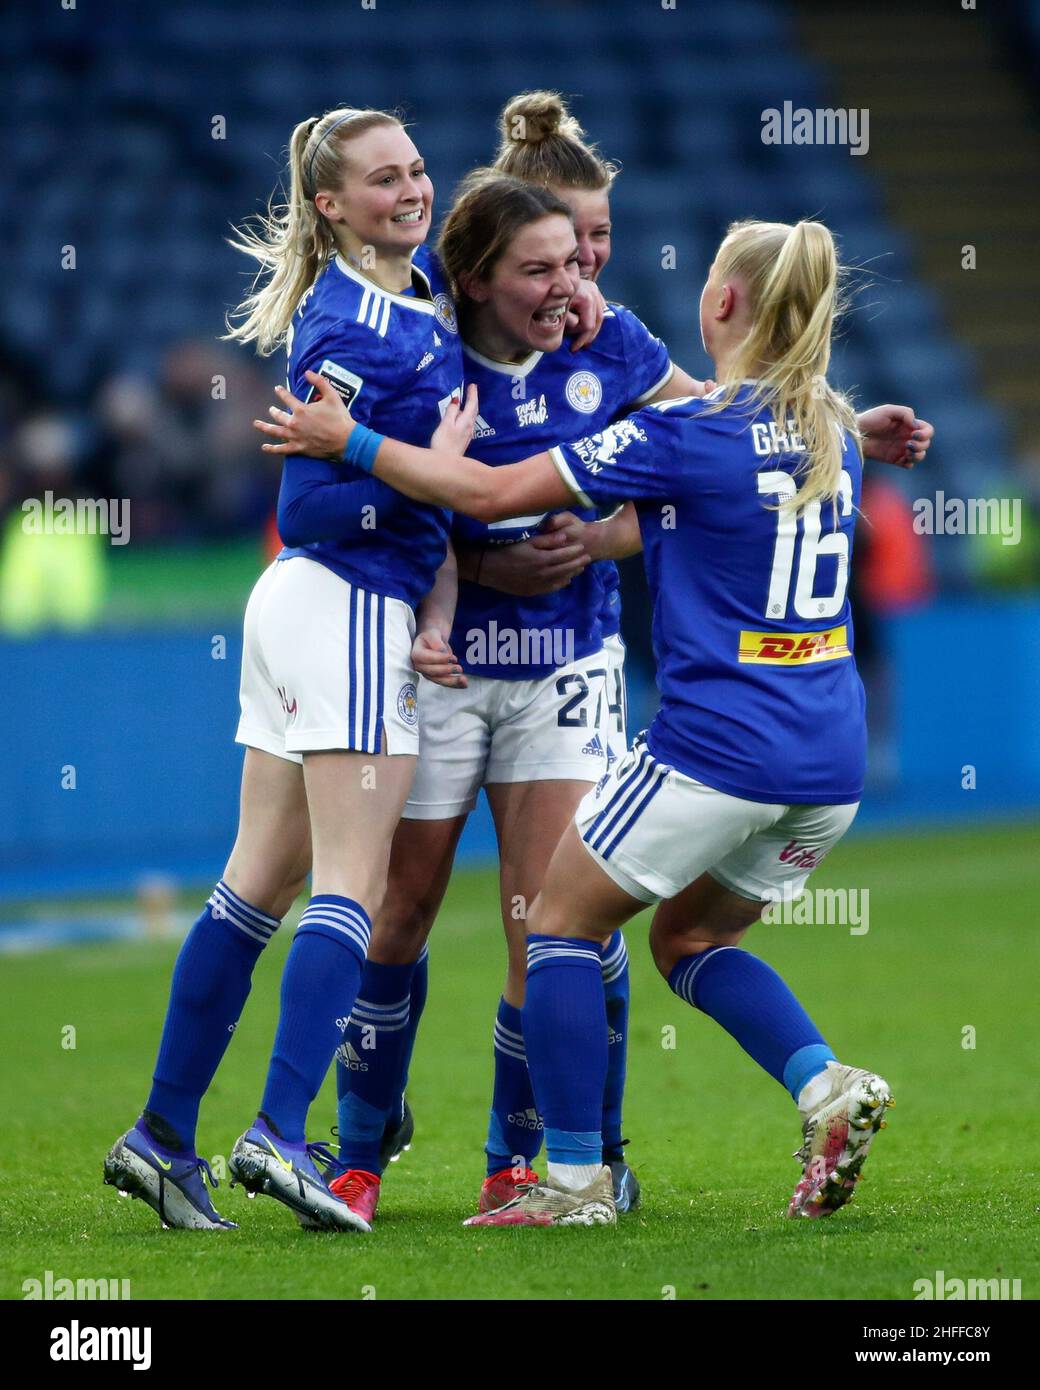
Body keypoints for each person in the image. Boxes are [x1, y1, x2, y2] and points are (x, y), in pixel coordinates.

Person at [256, 217, 934, 1226]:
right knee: (686, 941)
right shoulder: (826, 434)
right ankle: (823, 1084)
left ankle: (572, 1179)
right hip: (827, 765)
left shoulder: (681, 431)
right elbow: (672, 509)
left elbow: (488, 489)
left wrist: (345, 439)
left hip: (716, 751)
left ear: (719, 305)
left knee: (559, 923)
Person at [300, 170, 713, 1227]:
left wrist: (612, 536)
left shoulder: (608, 345)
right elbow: (367, 498)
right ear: (474, 280)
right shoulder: (423, 347)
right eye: (540, 267)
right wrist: (476, 575)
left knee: (545, 923)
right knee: (397, 912)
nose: (568, 284)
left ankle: (512, 1161)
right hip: (438, 664)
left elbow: (724, 434)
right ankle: (356, 1157)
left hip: (565, 668)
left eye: (577, 260)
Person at [103, 105, 467, 1233]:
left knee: (253, 884)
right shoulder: (357, 325)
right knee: (349, 887)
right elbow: (313, 501)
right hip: (348, 604)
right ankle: (278, 1131)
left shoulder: (408, 293)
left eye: (415, 169)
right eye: (381, 180)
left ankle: (162, 1137)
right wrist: (432, 472)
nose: (410, 190)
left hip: (302, 613)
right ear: (328, 204)